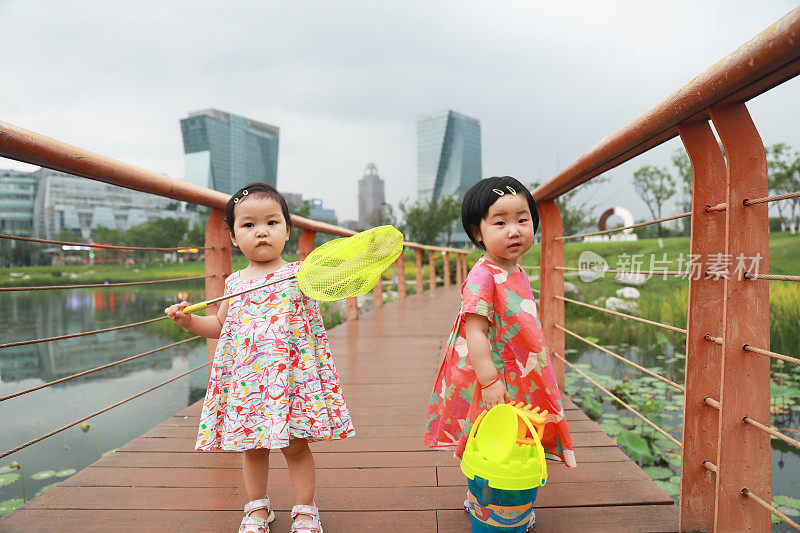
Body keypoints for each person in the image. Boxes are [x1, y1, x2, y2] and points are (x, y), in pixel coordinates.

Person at [165, 182, 354, 533]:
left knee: (296, 446)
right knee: (252, 447)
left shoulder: (301, 276)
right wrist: (188, 320)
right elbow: (220, 325)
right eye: (248, 225)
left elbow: (336, 284)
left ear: (286, 230)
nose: (261, 231)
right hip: (248, 382)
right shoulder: (235, 283)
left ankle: (304, 508)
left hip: (291, 381)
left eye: (272, 222)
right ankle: (257, 508)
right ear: (234, 237)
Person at [423, 176, 575, 531]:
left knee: (506, 431)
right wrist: (490, 380)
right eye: (500, 222)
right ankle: (485, 499)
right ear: (478, 232)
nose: (514, 231)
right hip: (490, 371)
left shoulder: (514, 268)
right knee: (489, 431)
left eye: (523, 220)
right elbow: (473, 330)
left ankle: (490, 495)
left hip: (515, 366)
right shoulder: (483, 275)